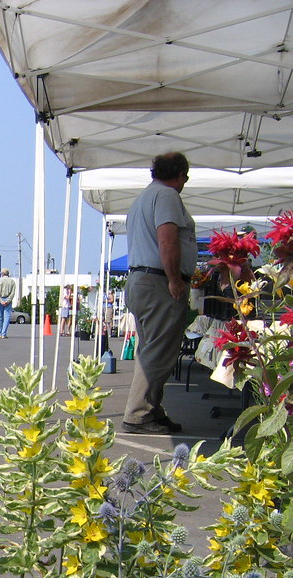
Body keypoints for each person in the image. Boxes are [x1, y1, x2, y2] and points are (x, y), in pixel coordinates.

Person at [121, 151, 195, 435]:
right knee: (158, 351)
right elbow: (167, 238)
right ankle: (139, 413)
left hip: (142, 280)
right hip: (158, 282)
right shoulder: (167, 196)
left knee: (151, 348)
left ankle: (151, 407)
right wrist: (175, 279)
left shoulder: (143, 198)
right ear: (179, 175)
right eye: (184, 177)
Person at [0, 268, 16, 338]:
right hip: (8, 299)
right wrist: (8, 300)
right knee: (7, 317)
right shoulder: (12, 282)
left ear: (2, 274)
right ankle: (3, 333)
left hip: (0, 300)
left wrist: (0, 300)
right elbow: (13, 292)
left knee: (0, 317)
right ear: (8, 274)